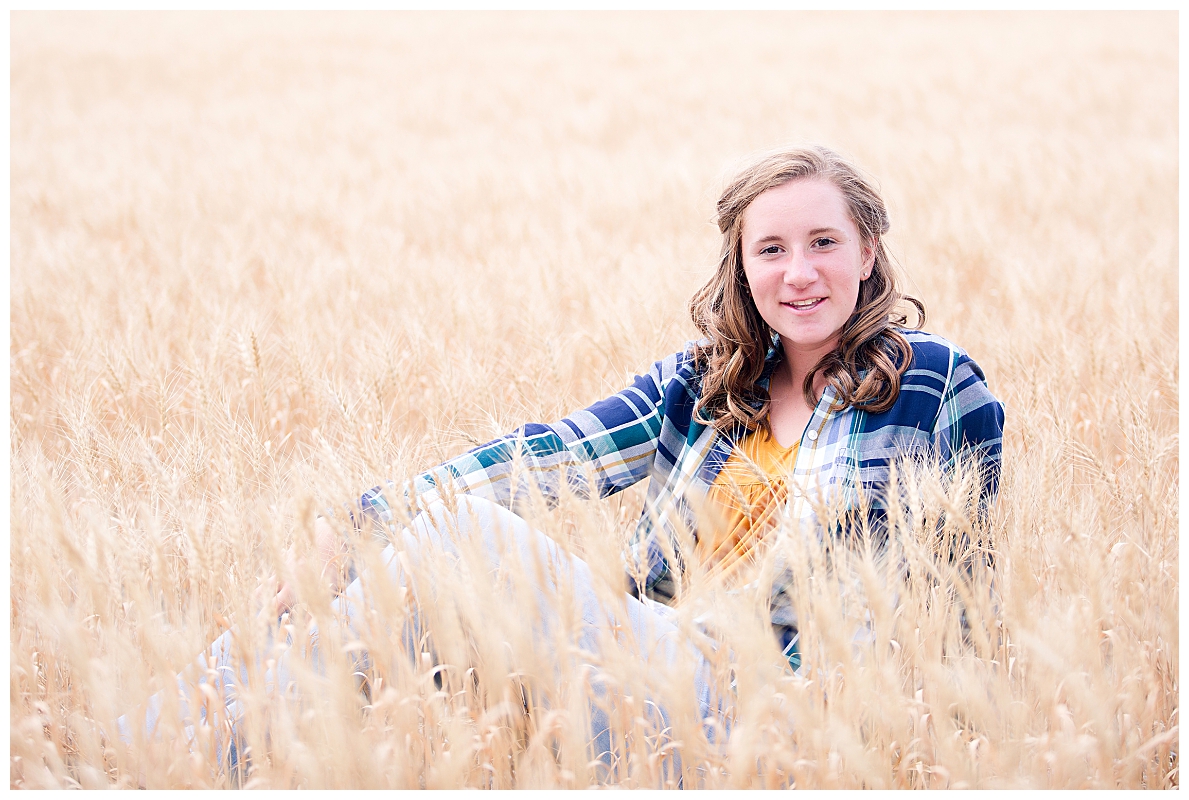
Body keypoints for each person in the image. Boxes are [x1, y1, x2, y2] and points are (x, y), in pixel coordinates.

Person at [127, 145, 1005, 780]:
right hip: (652, 674)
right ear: (740, 268)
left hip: (792, 708)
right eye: (769, 250)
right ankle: (173, 750)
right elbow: (554, 456)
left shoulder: (924, 380)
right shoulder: (704, 386)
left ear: (867, 253)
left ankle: (163, 749)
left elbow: (956, 583)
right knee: (383, 582)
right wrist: (360, 524)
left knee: (455, 536)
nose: (799, 272)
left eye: (822, 242)